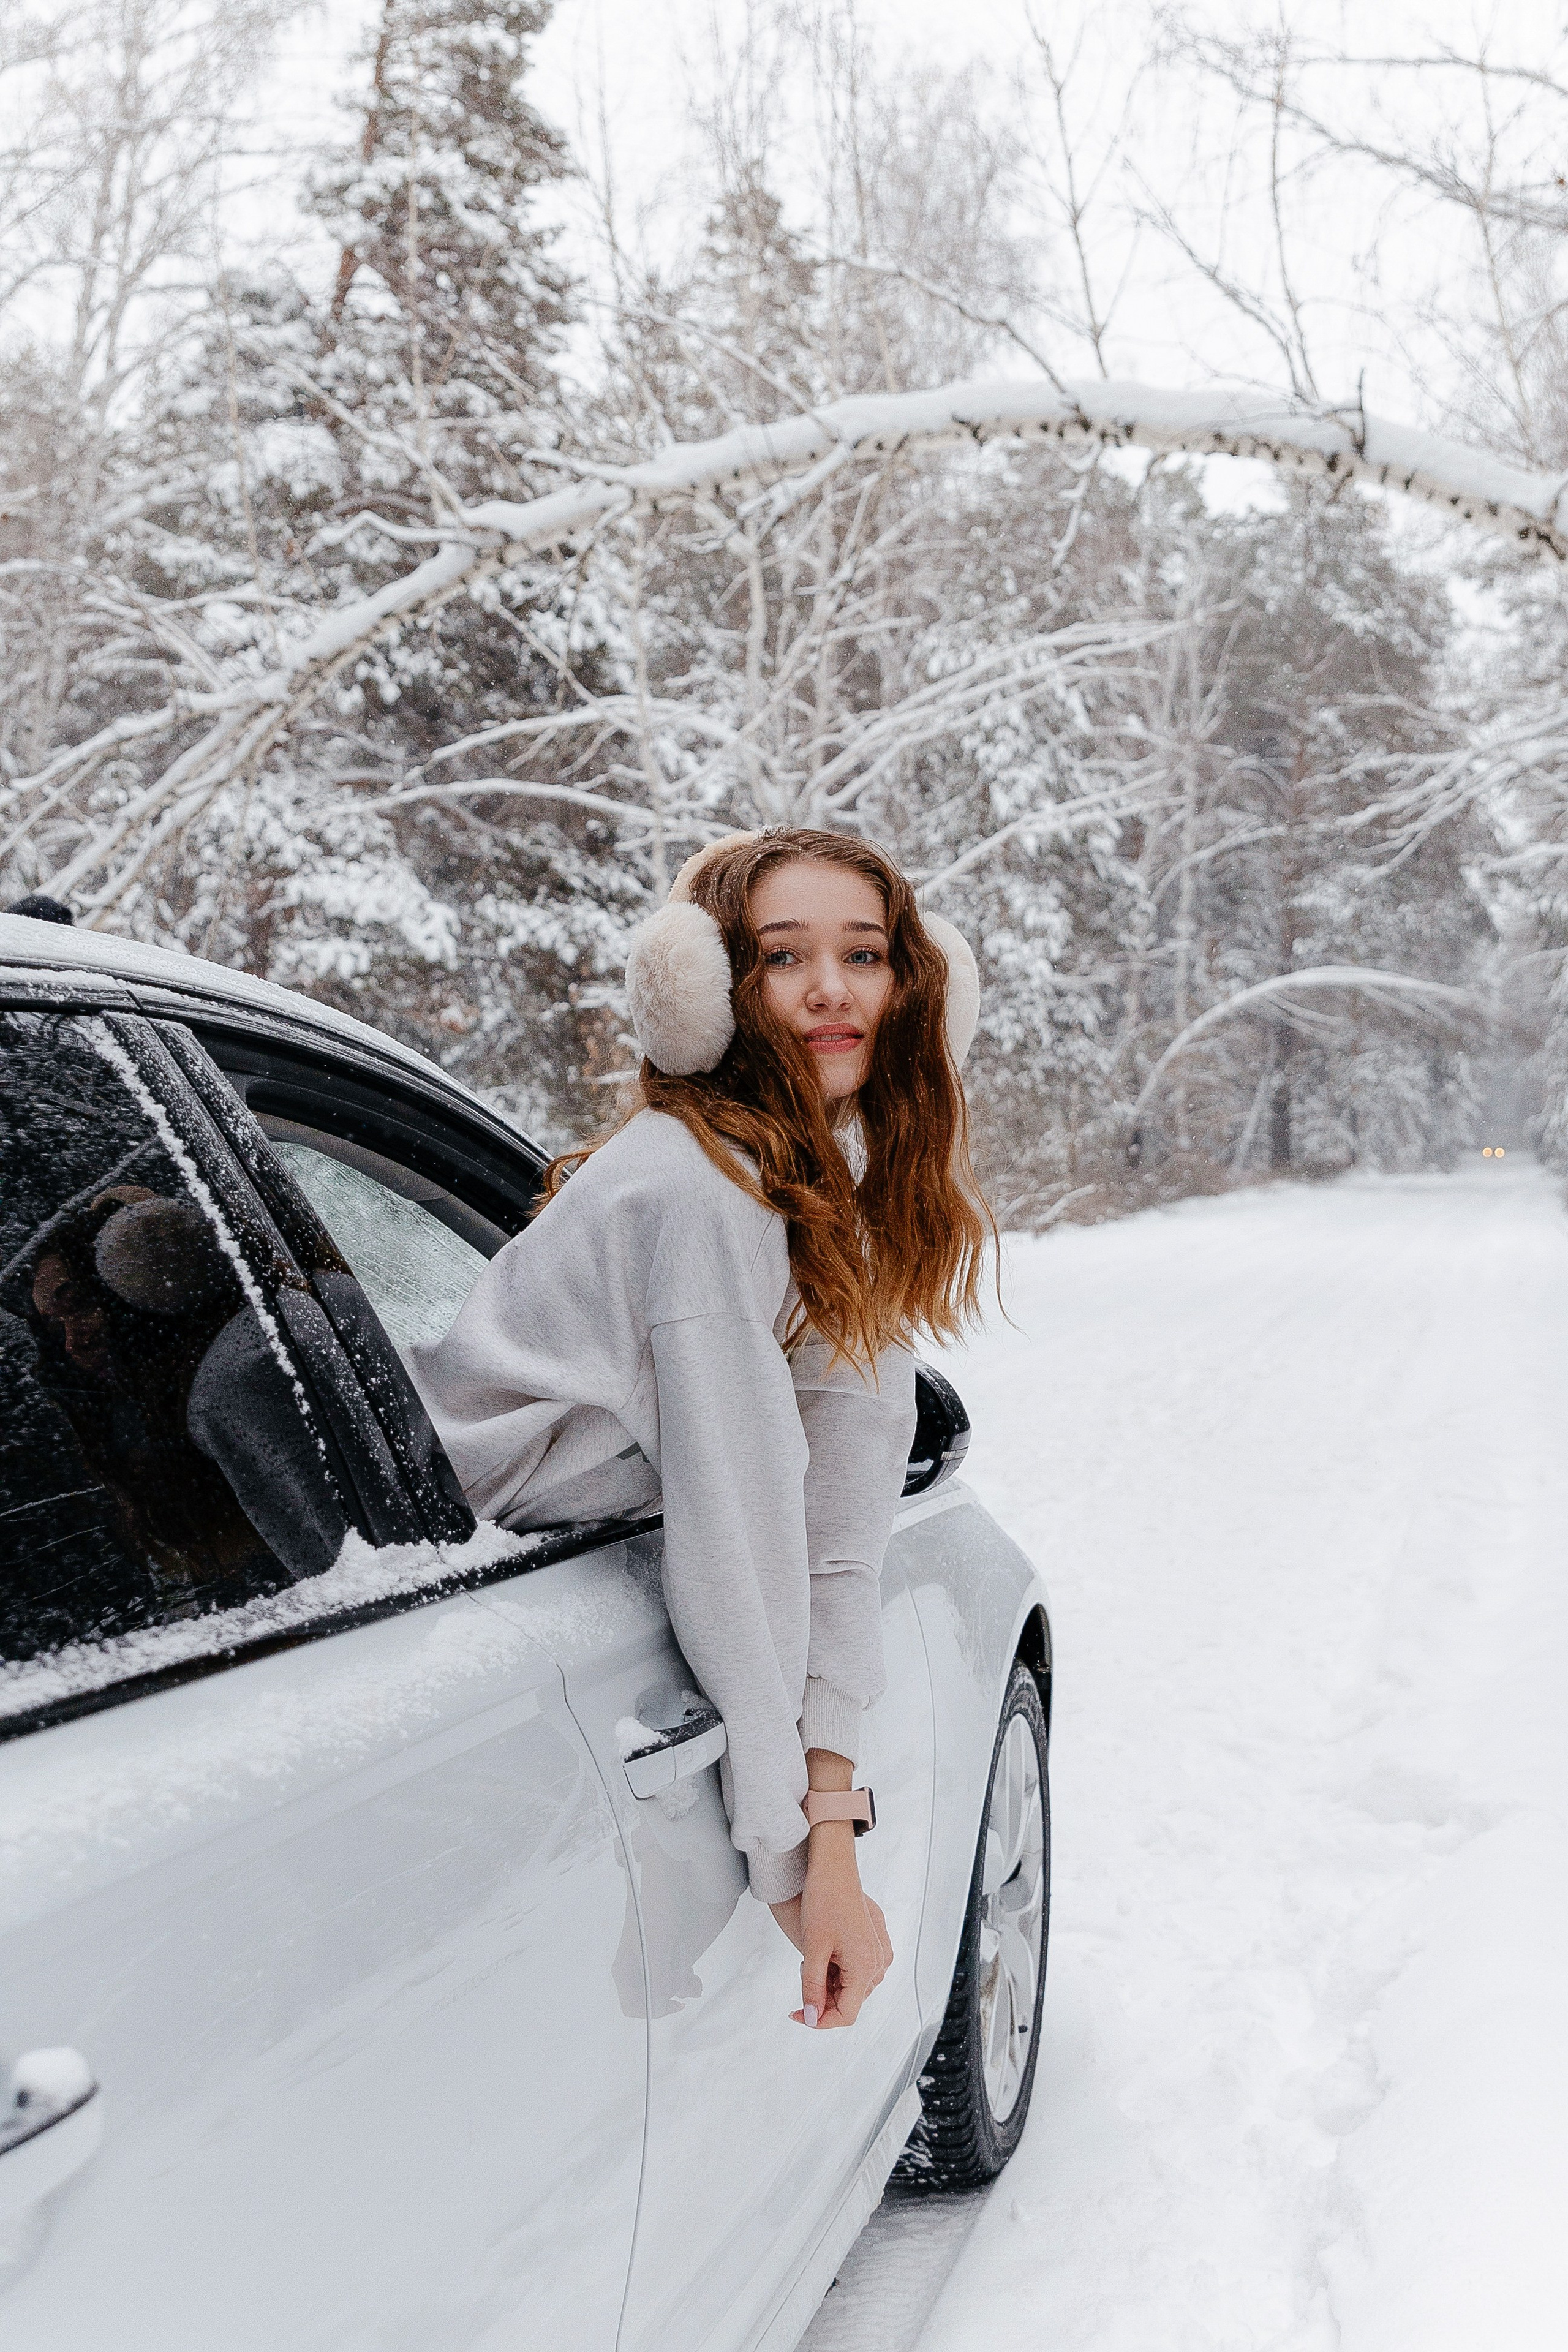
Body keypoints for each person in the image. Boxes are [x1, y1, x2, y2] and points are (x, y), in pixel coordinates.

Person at [406, 829, 989, 2032]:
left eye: (864, 954)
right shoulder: (695, 1191)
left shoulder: (814, 1200)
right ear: (711, 994)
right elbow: (740, 1541)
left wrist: (830, 1809)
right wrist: (797, 1866)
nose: (830, 989)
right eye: (783, 957)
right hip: (433, 1565)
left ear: (913, 985)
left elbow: (836, 1525)